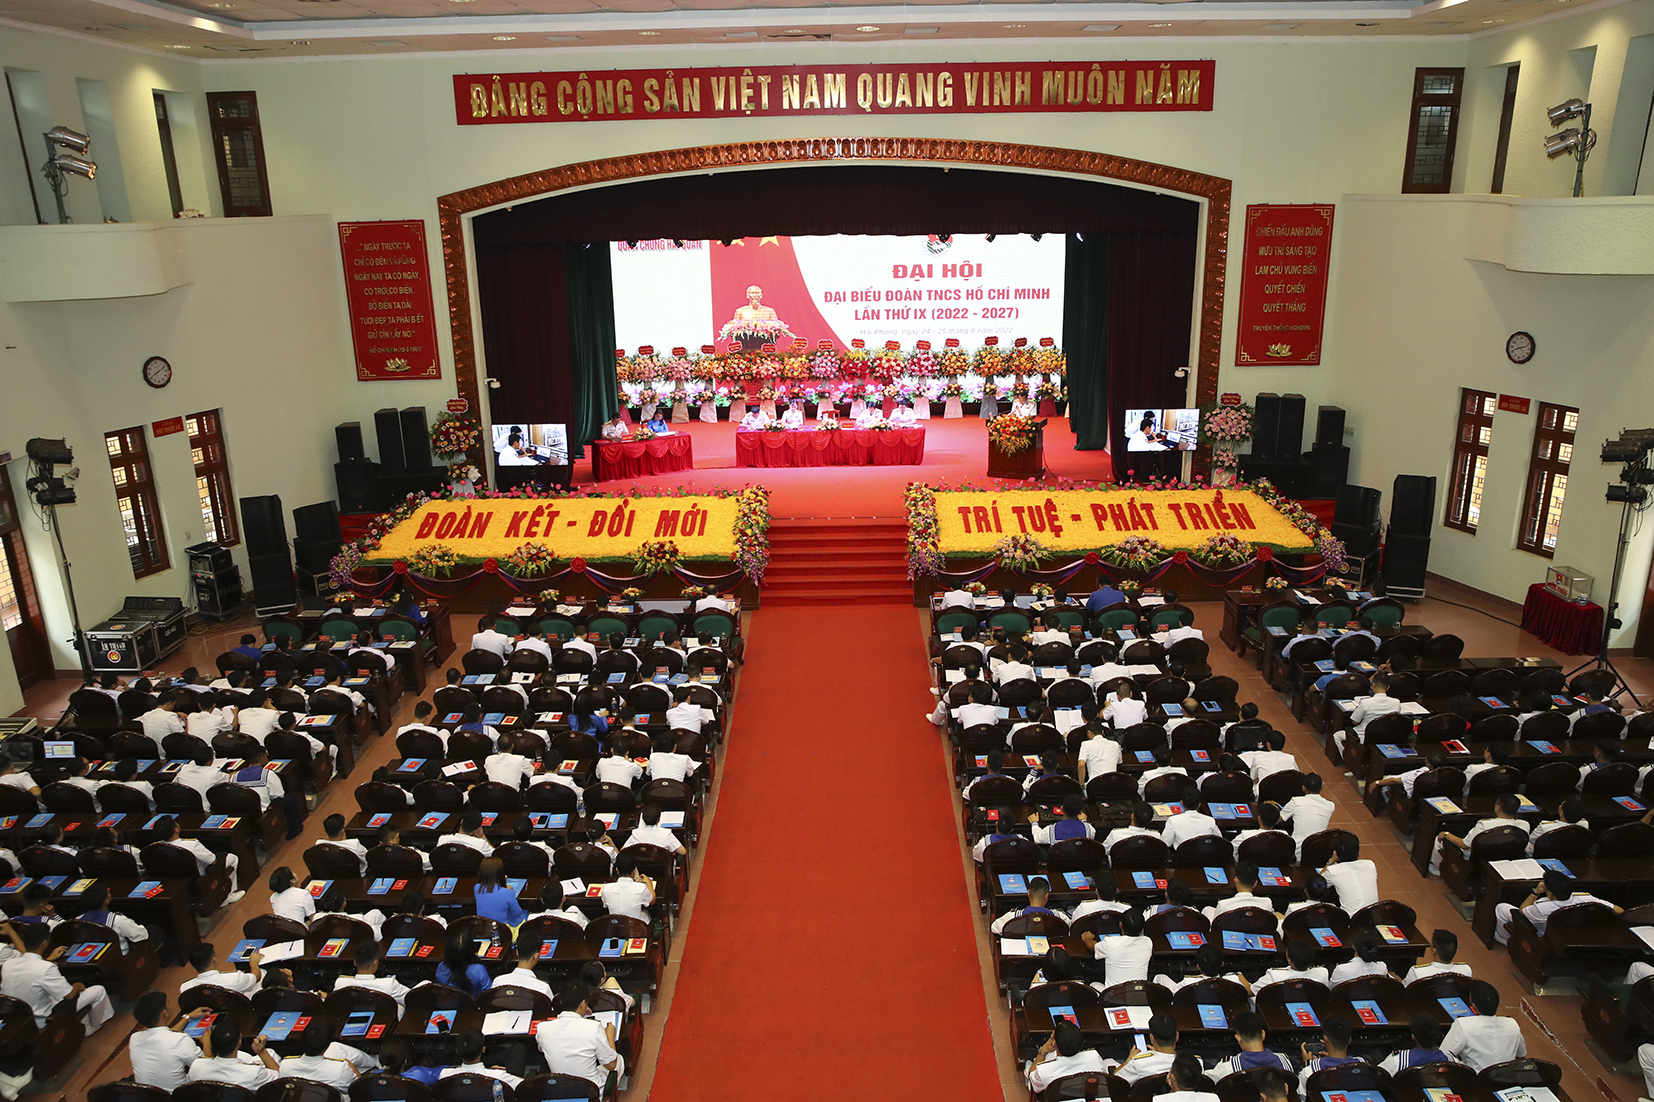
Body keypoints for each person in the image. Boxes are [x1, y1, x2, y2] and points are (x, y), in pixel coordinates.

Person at [1, 922, 112, 1032]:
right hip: (43, 1019)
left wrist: (48, 960)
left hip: (17, 1017)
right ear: (45, 942)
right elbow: (69, 995)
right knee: (99, 990)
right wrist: (77, 985)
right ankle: (93, 1028)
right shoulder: (46, 968)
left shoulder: (8, 964)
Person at [1494, 868, 1621, 945]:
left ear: (1549, 893)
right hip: (1576, 935)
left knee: (1501, 908)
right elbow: (1620, 911)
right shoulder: (1586, 898)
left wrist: (1535, 892)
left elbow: (1522, 911)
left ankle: (1507, 941)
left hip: (1546, 938)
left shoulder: (1542, 907)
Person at [537, 981, 620, 1092]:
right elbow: (611, 1065)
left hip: (559, 1088)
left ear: (562, 1002)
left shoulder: (542, 1028)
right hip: (591, 1090)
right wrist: (610, 1036)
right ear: (583, 1004)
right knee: (619, 1060)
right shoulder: (594, 1028)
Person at [1431, 792, 1528, 877]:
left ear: (1498, 808)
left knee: (1438, 840)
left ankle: (1438, 869)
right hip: (1503, 859)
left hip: (1475, 860)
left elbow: (1464, 845)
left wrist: (1446, 834)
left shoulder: (1484, 824)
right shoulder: (1525, 825)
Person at [130, 991, 209, 1090]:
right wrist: (206, 1042)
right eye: (168, 1003)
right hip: (179, 1094)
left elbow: (165, 1035)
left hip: (150, 1095)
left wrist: (187, 1017)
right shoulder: (180, 1040)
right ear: (164, 1013)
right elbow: (205, 1067)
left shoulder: (134, 1038)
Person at [156, 814, 245, 901]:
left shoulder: (156, 848)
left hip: (177, 880)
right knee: (232, 858)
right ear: (176, 829)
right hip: (200, 877)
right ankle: (227, 896)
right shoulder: (192, 844)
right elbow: (213, 861)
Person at [1441, 981, 1526, 1071]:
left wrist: (1459, 1062)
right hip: (1506, 1078)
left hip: (1476, 1078)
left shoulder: (1463, 1024)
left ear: (1473, 1003)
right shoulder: (1512, 1024)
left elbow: (1443, 1055)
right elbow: (1521, 1056)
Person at [187, 1017, 279, 1087]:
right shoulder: (254, 1073)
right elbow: (279, 1080)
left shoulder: (196, 1066)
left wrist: (206, 1045)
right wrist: (262, 1051)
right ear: (239, 1042)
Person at [1027, 1019, 1106, 1092]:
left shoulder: (1044, 1070)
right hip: (1086, 1095)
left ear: (1054, 1043)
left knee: (1028, 1065)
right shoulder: (1094, 1057)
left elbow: (1033, 1081)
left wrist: (1042, 1051)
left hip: (1057, 1097)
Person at [333, 942, 411, 1014]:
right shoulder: (389, 984)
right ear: (375, 962)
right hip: (383, 1021)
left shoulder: (340, 983)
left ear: (355, 963)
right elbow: (412, 998)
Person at [278, 1020, 358, 1089]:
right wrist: (353, 1068)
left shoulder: (285, 1065)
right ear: (328, 1046)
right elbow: (358, 1088)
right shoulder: (340, 1069)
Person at [1210, 1011, 1293, 1078]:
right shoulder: (1285, 1062)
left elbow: (1207, 1081)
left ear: (1238, 1038)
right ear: (1263, 1034)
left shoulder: (1228, 1067)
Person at [1083, 908, 1153, 986]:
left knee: (1094, 984)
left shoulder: (1110, 943)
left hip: (1114, 993)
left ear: (1120, 924)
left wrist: (1087, 939)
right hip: (1139, 991)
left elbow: (1092, 947)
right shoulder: (1148, 942)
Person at [1298, 1019, 1364, 1095]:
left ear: (1325, 1039)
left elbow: (1302, 1097)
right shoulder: (1363, 1064)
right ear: (1350, 1040)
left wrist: (1306, 1064)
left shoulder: (1310, 1070)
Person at [1108, 1011, 1178, 1082]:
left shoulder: (1138, 1062)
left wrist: (1128, 1060)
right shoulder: (1183, 1063)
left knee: (1108, 1061)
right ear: (1177, 1036)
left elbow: (1116, 1079)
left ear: (1152, 1038)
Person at [440, 1029, 522, 1089]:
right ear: (483, 1049)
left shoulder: (444, 1075)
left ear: (457, 1050)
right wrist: (506, 1074)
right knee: (520, 1048)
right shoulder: (500, 1076)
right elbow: (524, 1086)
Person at [1340, 673, 1401, 752]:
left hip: (1363, 736)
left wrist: (1357, 710)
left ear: (1374, 685)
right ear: (1388, 687)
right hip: (1386, 736)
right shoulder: (1396, 702)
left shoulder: (1365, 702)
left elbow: (1354, 721)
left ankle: (1347, 756)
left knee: (1337, 736)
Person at [1368, 748, 1451, 805]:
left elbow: (1394, 780)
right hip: (1427, 797)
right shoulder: (1447, 775)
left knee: (1385, 785)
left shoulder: (1420, 776)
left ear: (1429, 764)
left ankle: (1390, 806)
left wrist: (1377, 782)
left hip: (1411, 799)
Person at [181, 941, 264, 997]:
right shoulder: (235, 978)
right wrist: (253, 963)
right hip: (238, 1009)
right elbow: (256, 977)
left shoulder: (185, 988)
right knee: (263, 972)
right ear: (213, 960)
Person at [1319, 834, 1379, 911]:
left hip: (1350, 916)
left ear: (1336, 853)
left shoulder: (1333, 871)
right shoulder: (1370, 864)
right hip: (1371, 914)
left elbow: (1317, 885)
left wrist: (1330, 861)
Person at [1250, 938, 1329, 994]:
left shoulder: (1274, 975)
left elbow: (1250, 991)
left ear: (1289, 959)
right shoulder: (1323, 972)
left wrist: (1242, 975)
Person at [1281, 773, 1335, 854]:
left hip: (1296, 851)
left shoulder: (1296, 802)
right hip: (1319, 852)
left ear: (1303, 788)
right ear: (1321, 788)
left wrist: (1274, 807)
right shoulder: (1330, 806)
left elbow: (1278, 819)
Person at [1380, 1015, 1452, 1074]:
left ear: (1413, 1036)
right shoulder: (1452, 1061)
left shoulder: (1398, 1061)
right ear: (1439, 1035)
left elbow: (1378, 1077)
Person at [989, 876, 1060, 934]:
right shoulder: (1059, 917)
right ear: (1046, 896)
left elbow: (994, 928)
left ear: (1028, 893)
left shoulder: (1012, 918)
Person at [474, 857, 529, 930]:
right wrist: (505, 886)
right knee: (525, 913)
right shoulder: (508, 892)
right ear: (501, 873)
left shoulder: (477, 888)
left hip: (484, 929)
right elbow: (517, 913)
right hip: (502, 930)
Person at [434, 930, 493, 997]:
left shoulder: (441, 967)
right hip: (472, 1003)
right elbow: (489, 994)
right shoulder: (479, 969)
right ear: (472, 950)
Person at [1205, 863, 1274, 921]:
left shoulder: (1223, 905)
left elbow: (1215, 926)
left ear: (1236, 880)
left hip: (1231, 932)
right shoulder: (1267, 903)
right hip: (1258, 931)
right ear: (1255, 883)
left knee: (1207, 910)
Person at [600, 851, 656, 920]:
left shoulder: (606, 888)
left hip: (615, 924)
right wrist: (649, 883)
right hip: (635, 925)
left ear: (617, 870)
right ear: (635, 871)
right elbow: (652, 901)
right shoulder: (641, 888)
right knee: (646, 913)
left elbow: (605, 904)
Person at [525, 881, 590, 928]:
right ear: (563, 898)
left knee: (573, 908)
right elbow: (588, 929)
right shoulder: (574, 919)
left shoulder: (531, 919)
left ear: (542, 901)